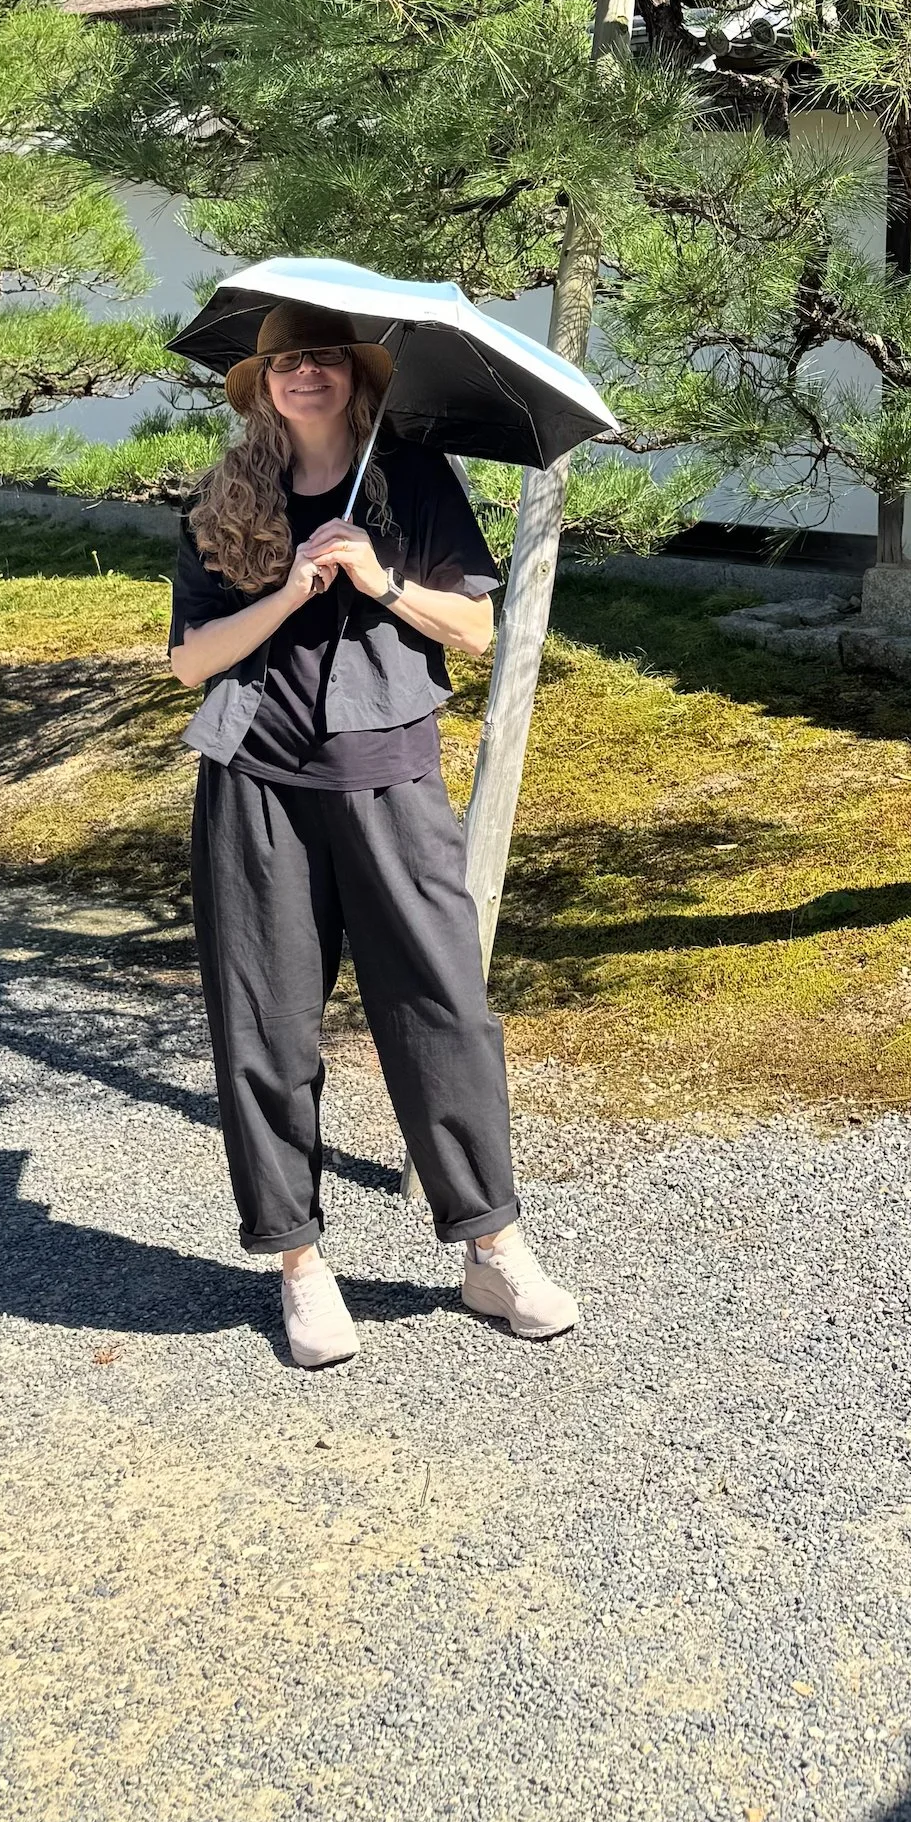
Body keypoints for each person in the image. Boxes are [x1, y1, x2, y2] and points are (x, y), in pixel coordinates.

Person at [168, 300, 577, 1368]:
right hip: (256, 785)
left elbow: (478, 628)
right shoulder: (224, 500)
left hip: (389, 775)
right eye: (285, 362)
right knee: (267, 1026)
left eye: (326, 360)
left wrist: (380, 580)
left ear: (355, 379)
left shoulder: (413, 485)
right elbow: (189, 659)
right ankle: (300, 1267)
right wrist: (293, 586)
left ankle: (492, 1244)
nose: (306, 374)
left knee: (443, 1011)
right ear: (259, 386)